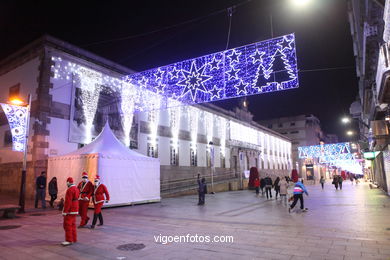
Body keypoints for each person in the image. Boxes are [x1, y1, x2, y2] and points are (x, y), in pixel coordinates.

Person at [62, 177, 79, 246]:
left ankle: (69, 240)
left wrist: (65, 211)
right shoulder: (76, 188)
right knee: (73, 224)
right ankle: (74, 238)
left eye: (67, 182)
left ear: (68, 182)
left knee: (67, 225)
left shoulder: (70, 190)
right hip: (75, 209)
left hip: (70, 210)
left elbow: (68, 202)